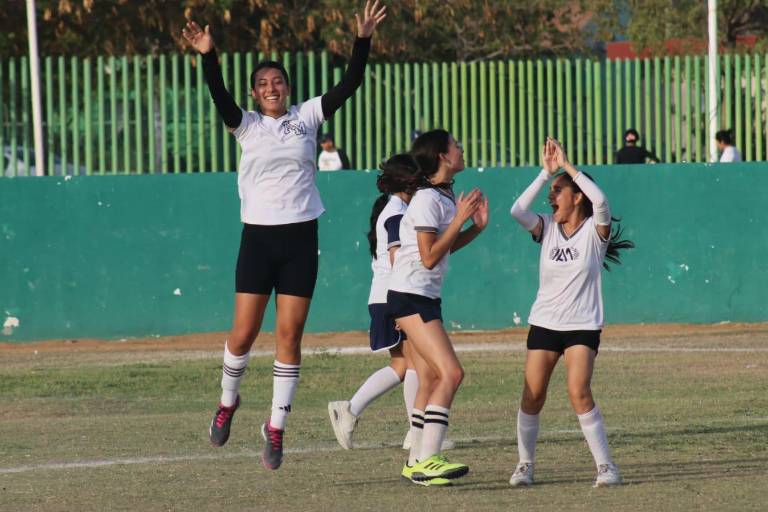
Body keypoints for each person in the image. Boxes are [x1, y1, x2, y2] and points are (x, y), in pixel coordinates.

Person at [181, 0, 387, 471]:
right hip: (258, 240)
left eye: (278, 82)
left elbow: (349, 84)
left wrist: (362, 40)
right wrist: (209, 55)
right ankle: (228, 402)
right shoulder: (246, 125)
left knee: (289, 336)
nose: (271, 88)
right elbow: (218, 95)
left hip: (299, 241)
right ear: (254, 94)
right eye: (263, 85)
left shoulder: (308, 117)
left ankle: (275, 428)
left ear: (288, 89)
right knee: (243, 334)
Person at [508, 137, 634, 488]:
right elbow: (517, 211)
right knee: (532, 394)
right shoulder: (546, 227)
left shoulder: (595, 232)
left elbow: (602, 200)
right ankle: (525, 464)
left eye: (558, 190)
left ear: (577, 195)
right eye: (552, 191)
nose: (552, 196)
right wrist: (545, 173)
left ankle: (606, 466)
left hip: (582, 325)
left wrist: (567, 167)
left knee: (579, 390)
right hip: (545, 323)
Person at [327, 154, 454, 453]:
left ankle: (353, 410)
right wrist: (402, 306)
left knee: (405, 365)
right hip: (393, 296)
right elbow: (398, 257)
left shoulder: (394, 208)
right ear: (409, 181)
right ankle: (412, 431)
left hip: (388, 295)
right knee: (412, 366)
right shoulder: (397, 212)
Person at [389, 129, 489, 486]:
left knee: (431, 377)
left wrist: (475, 228)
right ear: (443, 157)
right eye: (456, 145)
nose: (461, 149)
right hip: (411, 295)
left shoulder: (444, 195)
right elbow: (429, 257)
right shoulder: (427, 199)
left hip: (422, 296)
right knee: (452, 373)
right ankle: (429, 458)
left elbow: (442, 249)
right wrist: (461, 218)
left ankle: (416, 460)